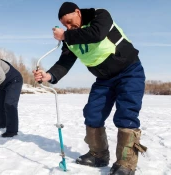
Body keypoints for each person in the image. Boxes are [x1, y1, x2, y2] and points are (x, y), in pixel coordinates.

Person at [33, 2, 147, 174]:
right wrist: (49, 75)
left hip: (129, 71)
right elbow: (65, 62)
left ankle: (125, 163)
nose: (69, 27)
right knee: (92, 114)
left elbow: (97, 33)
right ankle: (98, 155)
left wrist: (65, 35)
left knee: (126, 115)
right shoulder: (70, 38)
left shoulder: (99, 15)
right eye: (65, 25)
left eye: (71, 21)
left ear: (78, 12)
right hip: (104, 79)